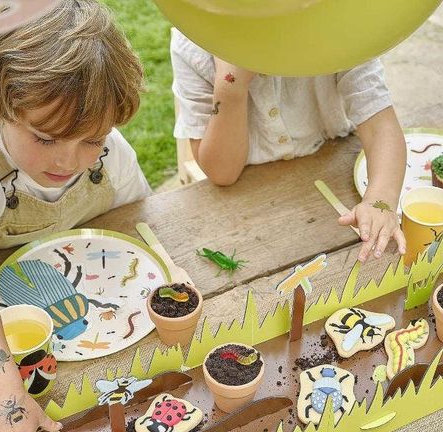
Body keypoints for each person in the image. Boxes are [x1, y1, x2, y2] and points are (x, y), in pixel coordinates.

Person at [0, 0, 149, 432]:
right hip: (12, 339)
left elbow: (134, 222)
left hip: (99, 327)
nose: (69, 160)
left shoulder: (109, 154)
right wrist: (4, 392)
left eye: (91, 140)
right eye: (46, 138)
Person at [171, 28, 407, 263]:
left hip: (330, 175)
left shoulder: (338, 25)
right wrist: (230, 86)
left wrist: (381, 199)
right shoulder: (194, 42)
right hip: (246, 204)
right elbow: (222, 172)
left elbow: (381, 126)